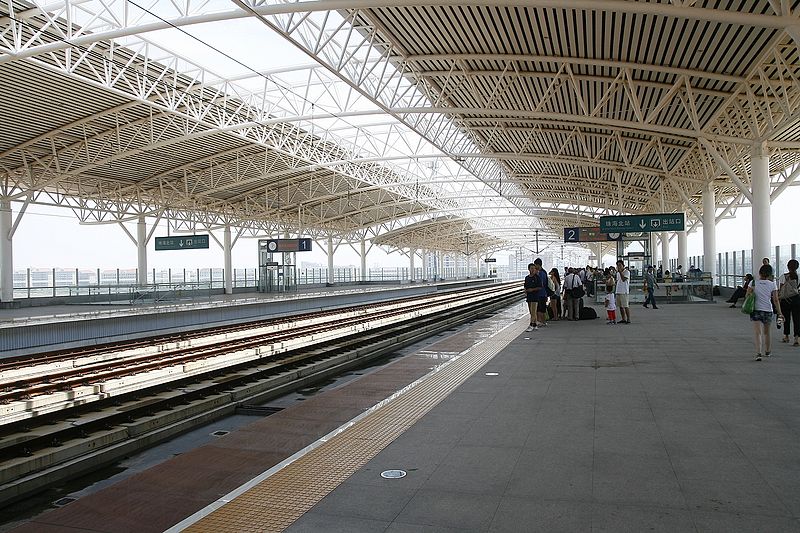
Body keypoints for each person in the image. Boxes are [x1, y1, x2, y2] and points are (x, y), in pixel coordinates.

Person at [747, 264, 783, 361]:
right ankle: (767, 351)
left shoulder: (753, 282)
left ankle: (758, 353)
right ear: (770, 274)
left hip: (756, 310)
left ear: (759, 273)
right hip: (768, 310)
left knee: (757, 332)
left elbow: (747, 295)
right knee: (767, 333)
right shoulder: (772, 284)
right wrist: (780, 312)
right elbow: (776, 300)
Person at [778, 259, 800, 346]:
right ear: (797, 267)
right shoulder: (799, 276)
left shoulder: (783, 276)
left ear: (788, 266)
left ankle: (786, 336)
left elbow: (781, 289)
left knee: (786, 318)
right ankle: (797, 338)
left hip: (785, 300)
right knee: (797, 319)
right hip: (796, 299)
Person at [524, 263, 544, 331]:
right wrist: (525, 291)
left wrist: (532, 289)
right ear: (529, 269)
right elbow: (525, 285)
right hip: (529, 297)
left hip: (535, 296)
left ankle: (531, 325)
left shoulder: (537, 277)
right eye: (531, 268)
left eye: (534, 268)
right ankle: (535, 325)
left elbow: (540, 287)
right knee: (531, 312)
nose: (533, 270)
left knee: (533, 311)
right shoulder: (527, 278)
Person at [533, 258, 549, 325]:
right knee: (542, 308)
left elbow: (541, 284)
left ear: (538, 265)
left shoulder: (541, 273)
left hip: (541, 294)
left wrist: (533, 288)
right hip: (543, 293)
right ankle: (543, 321)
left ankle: (540, 321)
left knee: (540, 309)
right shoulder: (544, 272)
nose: (534, 267)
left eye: (535, 265)